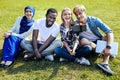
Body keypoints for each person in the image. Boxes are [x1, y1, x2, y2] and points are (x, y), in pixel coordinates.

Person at [73, 4, 114, 74]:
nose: (78, 16)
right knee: (86, 45)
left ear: (85, 12)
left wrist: (108, 47)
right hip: (87, 43)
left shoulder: (93, 20)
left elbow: (109, 32)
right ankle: (100, 51)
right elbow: (80, 40)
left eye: (80, 13)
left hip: (98, 41)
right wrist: (90, 43)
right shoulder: (76, 24)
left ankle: (105, 62)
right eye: (76, 15)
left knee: (107, 36)